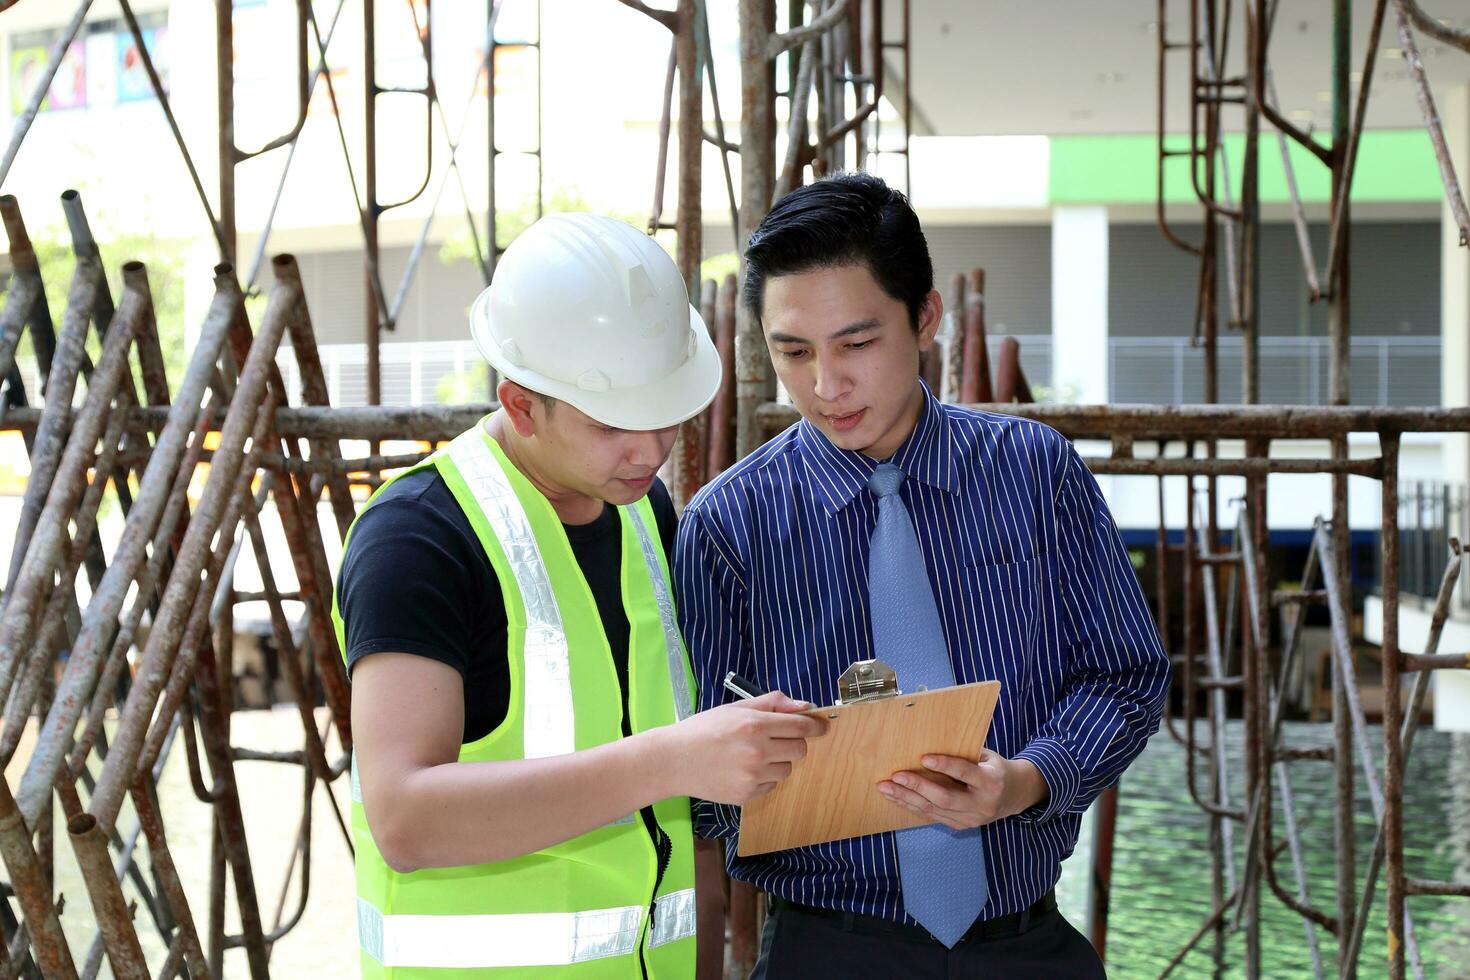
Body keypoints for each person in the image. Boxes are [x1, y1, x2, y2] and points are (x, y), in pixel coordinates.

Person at [673, 173, 1171, 978]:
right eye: (792, 351)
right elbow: (693, 784)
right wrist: (782, 771)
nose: (825, 386)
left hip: (1027, 944)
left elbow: (1127, 676)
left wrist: (1027, 780)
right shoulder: (728, 524)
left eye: (857, 344)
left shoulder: (1034, 472)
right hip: (824, 948)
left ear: (927, 318)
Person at [335, 212, 826, 978]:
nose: (651, 449)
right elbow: (406, 816)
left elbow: (674, 831)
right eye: (612, 425)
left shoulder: (643, 517)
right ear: (521, 403)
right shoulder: (417, 537)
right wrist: (668, 762)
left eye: (665, 416)